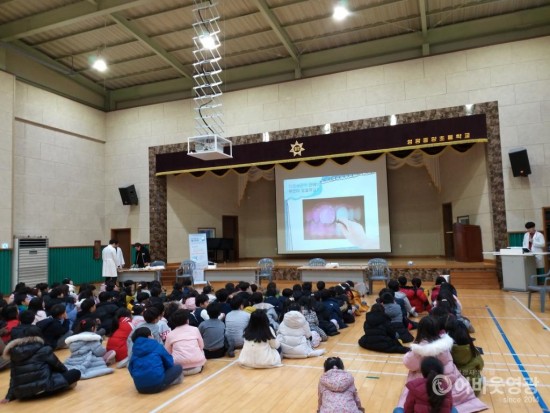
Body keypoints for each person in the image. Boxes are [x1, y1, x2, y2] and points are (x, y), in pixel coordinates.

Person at [396, 317, 487, 413]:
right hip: (448, 383)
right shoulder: (444, 345)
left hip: (426, 385)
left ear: (420, 330)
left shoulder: (419, 350)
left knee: (412, 377)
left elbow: (408, 363)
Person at [1, 326, 81, 403]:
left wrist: (9, 397)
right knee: (75, 372)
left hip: (23, 395)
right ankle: (64, 387)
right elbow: (60, 367)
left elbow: (14, 377)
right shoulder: (44, 349)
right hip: (44, 389)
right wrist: (66, 376)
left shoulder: (15, 353)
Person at [128, 326, 183, 394]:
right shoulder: (156, 345)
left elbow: (130, 369)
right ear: (149, 336)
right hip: (157, 385)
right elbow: (170, 362)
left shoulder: (134, 351)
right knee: (178, 367)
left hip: (140, 388)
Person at [446, 320, 484, 396]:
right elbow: (481, 366)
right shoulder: (473, 350)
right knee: (480, 377)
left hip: (453, 391)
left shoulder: (447, 350)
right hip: (473, 390)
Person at [165, 309, 206, 376]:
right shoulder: (195, 329)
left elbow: (168, 352)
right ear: (187, 320)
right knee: (201, 350)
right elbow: (201, 346)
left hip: (179, 369)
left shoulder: (170, 334)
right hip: (197, 367)